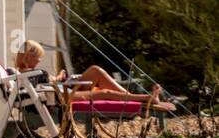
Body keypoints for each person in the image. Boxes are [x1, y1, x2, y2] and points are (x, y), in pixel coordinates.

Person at [14, 40, 174, 111]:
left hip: (63, 89)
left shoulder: (31, 73)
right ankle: (146, 99)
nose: (40, 60)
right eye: (38, 57)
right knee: (105, 93)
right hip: (61, 96)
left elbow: (45, 84)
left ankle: (131, 96)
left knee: (95, 71)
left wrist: (59, 78)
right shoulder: (26, 74)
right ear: (28, 57)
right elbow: (44, 88)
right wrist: (57, 80)